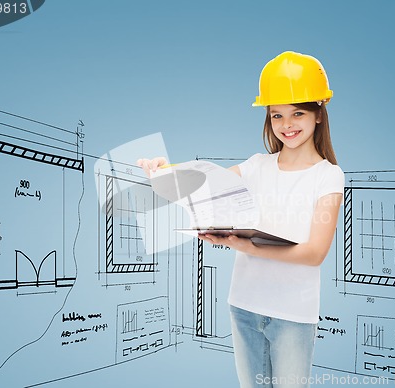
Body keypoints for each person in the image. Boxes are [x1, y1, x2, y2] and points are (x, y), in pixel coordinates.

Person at [138, 51, 344, 388]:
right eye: (277, 115)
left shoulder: (329, 176)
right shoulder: (256, 166)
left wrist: (243, 244)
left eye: (297, 113)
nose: (287, 125)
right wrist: (164, 171)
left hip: (293, 316)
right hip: (245, 307)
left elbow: (315, 253)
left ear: (319, 113)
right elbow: (204, 183)